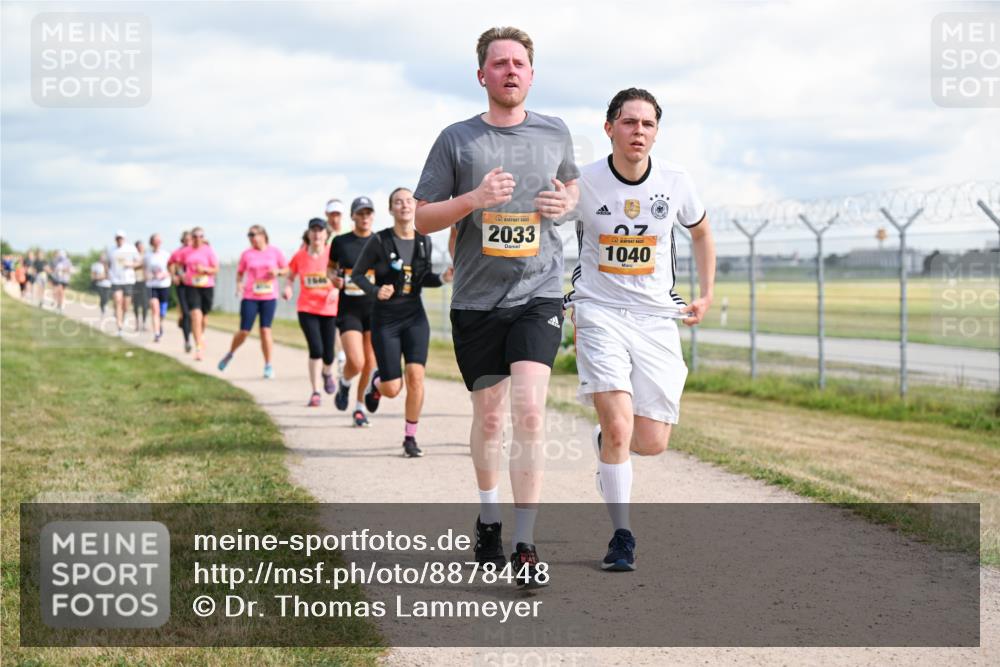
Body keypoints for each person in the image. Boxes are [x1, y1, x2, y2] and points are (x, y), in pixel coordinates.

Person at [413, 26, 580, 585]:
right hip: (478, 301)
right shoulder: (456, 140)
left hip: (539, 293)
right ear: (481, 74)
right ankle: (488, 515)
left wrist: (565, 200)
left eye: (519, 63)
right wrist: (473, 200)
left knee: (530, 411)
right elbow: (421, 216)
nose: (510, 71)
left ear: (531, 74)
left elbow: (573, 190)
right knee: (489, 416)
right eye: (499, 63)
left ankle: (526, 542)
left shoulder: (555, 132)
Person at [566, 88, 716, 571]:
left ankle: (606, 446)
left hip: (656, 317)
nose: (638, 132)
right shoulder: (583, 182)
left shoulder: (675, 181)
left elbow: (701, 231)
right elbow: (547, 228)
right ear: (609, 128)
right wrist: (562, 298)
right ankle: (622, 536)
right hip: (598, 311)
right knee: (619, 426)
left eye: (647, 124)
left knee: (650, 442)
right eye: (629, 123)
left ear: (656, 132)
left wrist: (707, 292)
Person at [352, 187, 454, 457]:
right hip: (385, 318)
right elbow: (358, 275)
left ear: (416, 207)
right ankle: (377, 385)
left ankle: (410, 438)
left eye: (409, 201)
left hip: (414, 317)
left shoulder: (424, 240)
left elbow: (422, 279)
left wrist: (443, 277)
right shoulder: (379, 241)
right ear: (391, 209)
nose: (405, 206)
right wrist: (376, 291)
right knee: (392, 388)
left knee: (416, 378)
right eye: (398, 202)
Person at [329, 197, 379, 428]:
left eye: (368, 213)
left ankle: (359, 408)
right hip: (349, 310)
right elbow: (330, 268)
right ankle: (345, 381)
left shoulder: (380, 242)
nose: (365, 217)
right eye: (360, 213)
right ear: (353, 216)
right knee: (356, 362)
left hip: (374, 310)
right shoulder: (341, 242)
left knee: (370, 363)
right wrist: (334, 279)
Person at [218, 225, 288, 378]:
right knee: (244, 331)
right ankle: (230, 353)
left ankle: (268, 365)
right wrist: (238, 285)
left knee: (265, 330)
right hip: (250, 296)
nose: (252, 238)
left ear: (263, 235)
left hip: (269, 296)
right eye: (249, 236)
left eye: (254, 234)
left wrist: (277, 272)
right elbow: (240, 273)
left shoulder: (274, 251)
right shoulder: (246, 254)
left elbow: (286, 269)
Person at [287, 218, 340, 406]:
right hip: (307, 309)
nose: (317, 234)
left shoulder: (332, 255)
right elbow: (290, 273)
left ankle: (327, 372)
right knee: (315, 349)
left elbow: (342, 277)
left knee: (329, 353)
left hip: (329, 309)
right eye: (314, 230)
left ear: (326, 235)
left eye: (321, 230)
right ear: (309, 234)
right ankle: (315, 392)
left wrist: (335, 289)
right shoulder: (300, 256)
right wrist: (288, 287)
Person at [178, 227, 218, 361]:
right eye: (195, 236)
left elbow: (216, 268)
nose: (197, 238)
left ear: (203, 237)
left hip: (207, 286)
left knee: (204, 318)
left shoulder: (209, 251)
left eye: (200, 236)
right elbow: (175, 263)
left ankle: (200, 335)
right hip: (191, 286)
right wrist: (179, 275)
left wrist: (205, 269)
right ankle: (199, 348)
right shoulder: (186, 251)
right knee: (195, 315)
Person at [325, 198, 348, 376]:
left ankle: (343, 355)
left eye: (337, 214)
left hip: (345, 286)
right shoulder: (321, 235)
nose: (335, 218)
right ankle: (339, 355)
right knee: (333, 324)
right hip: (326, 286)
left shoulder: (348, 234)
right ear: (327, 215)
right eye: (332, 214)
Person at [106, 230, 141, 336]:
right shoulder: (111, 250)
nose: (119, 240)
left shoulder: (131, 248)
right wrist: (108, 273)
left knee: (126, 304)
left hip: (128, 280)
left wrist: (130, 264)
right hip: (116, 280)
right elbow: (107, 263)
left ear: (124, 239)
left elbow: (139, 262)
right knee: (117, 301)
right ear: (115, 239)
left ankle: (121, 316)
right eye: (117, 238)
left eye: (121, 238)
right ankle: (120, 327)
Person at [168, 231, 194, 352]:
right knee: (186, 313)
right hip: (182, 286)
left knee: (195, 313)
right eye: (186, 240)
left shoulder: (197, 252)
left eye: (190, 240)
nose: (188, 242)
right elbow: (171, 264)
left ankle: (185, 323)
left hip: (196, 286)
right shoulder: (177, 253)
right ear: (182, 241)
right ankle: (187, 340)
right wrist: (174, 276)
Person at [145, 233, 173, 342]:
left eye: (159, 241)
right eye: (155, 240)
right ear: (151, 242)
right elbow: (144, 270)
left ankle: (160, 324)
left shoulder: (166, 255)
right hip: (152, 286)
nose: (157, 243)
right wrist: (147, 276)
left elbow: (171, 270)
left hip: (164, 285)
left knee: (162, 313)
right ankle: (156, 333)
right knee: (154, 309)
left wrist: (164, 275)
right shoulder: (147, 256)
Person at [132, 239, 150, 331]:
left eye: (142, 246)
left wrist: (140, 264)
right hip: (135, 281)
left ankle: (144, 323)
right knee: (136, 304)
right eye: (139, 246)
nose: (141, 248)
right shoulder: (133, 256)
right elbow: (132, 266)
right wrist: (141, 264)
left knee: (145, 304)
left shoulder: (147, 255)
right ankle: (137, 323)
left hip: (145, 282)